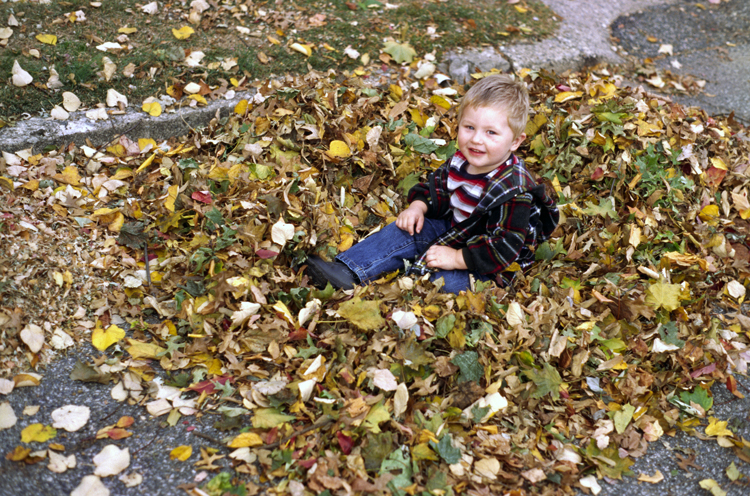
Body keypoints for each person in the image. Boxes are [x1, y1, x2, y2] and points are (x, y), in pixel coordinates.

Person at [306, 74, 559, 294]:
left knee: (441, 282)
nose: (476, 140)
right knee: (404, 229)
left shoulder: (513, 191)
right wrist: (418, 207)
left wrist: (458, 258)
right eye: (469, 127)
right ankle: (348, 270)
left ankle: (409, 280)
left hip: (490, 264)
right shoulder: (461, 161)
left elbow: (505, 247)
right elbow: (434, 189)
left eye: (491, 133)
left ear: (515, 141)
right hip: (454, 231)